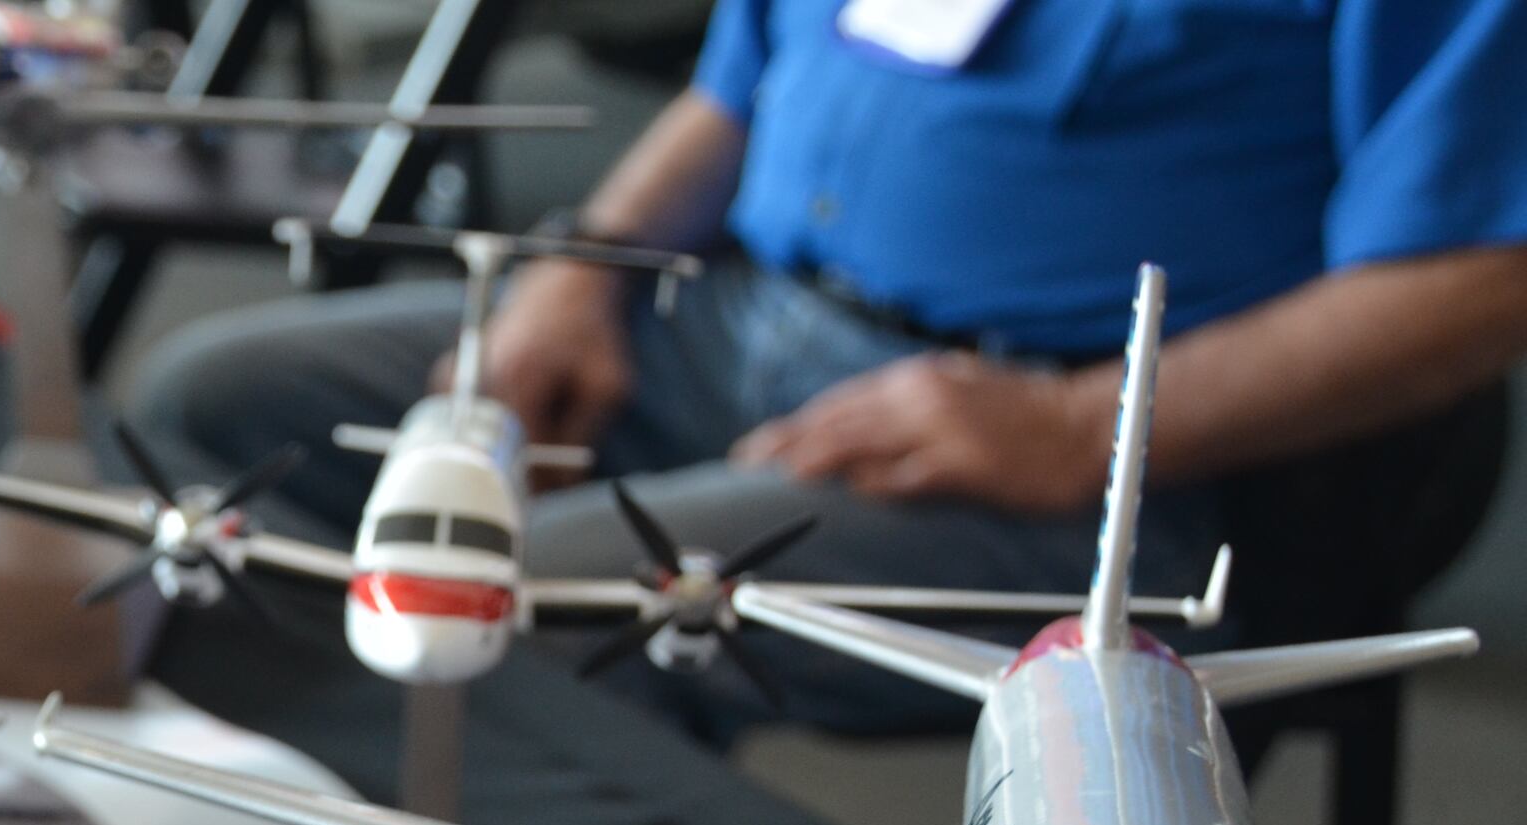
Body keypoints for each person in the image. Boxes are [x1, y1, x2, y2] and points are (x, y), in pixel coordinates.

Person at [125, 0, 1527, 734]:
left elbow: (1482, 281)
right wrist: (586, 268)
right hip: (735, 313)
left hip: (1109, 450)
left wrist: (1083, 425)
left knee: (522, 603)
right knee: (220, 406)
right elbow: (738, 86)